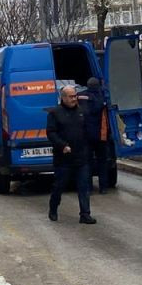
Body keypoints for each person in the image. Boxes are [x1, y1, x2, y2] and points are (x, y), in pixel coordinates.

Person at [46, 86, 96, 224]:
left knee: (83, 186)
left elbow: (88, 131)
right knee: (59, 186)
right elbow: (51, 133)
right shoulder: (55, 113)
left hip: (81, 157)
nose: (74, 99)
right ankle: (53, 208)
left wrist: (90, 147)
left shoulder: (82, 112)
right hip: (63, 159)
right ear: (63, 98)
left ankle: (85, 214)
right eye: (71, 96)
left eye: (75, 96)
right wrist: (62, 145)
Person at [78, 76, 112, 194]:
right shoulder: (102, 97)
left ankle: (88, 188)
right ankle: (103, 187)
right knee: (102, 161)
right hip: (101, 136)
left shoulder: (80, 96)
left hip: (86, 136)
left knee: (87, 162)